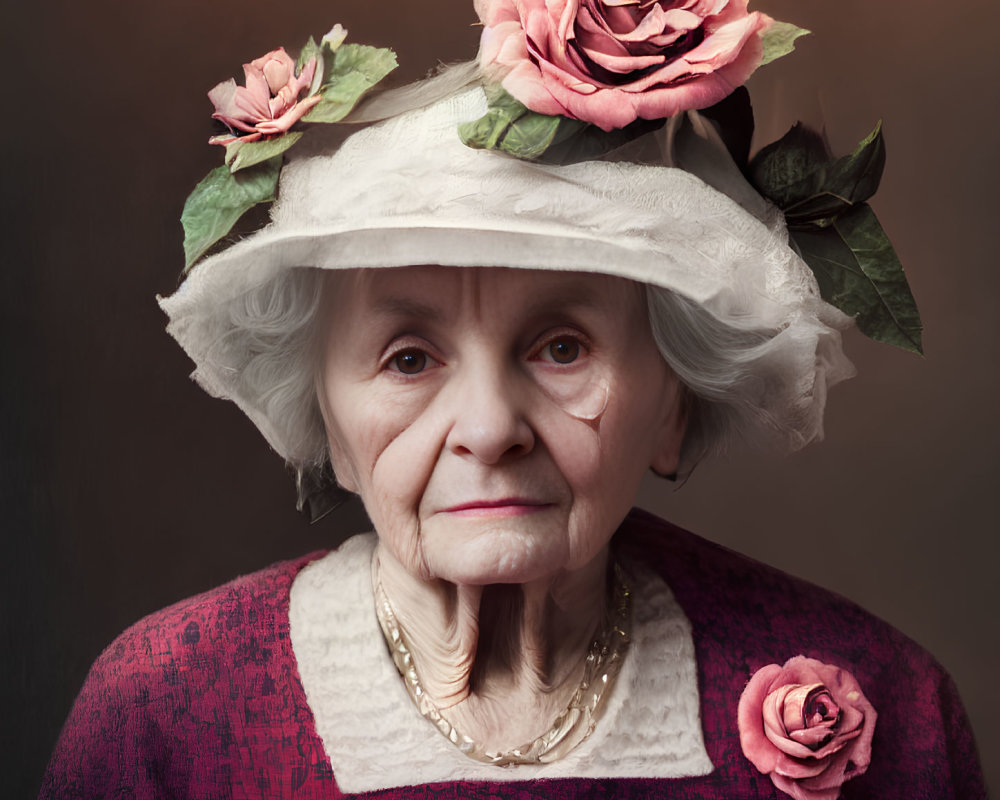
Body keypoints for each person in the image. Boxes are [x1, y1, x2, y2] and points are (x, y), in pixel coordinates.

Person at [39, 4, 986, 798]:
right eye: (408, 359)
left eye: (563, 347)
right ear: (325, 415)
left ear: (672, 404)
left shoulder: (883, 706)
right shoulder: (165, 712)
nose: (489, 431)